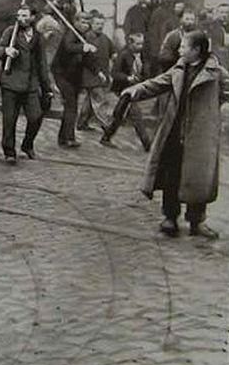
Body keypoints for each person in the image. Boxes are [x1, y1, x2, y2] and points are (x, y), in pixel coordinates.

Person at [121, 31, 227, 239]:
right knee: (172, 175)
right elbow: (157, 83)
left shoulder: (216, 73)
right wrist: (134, 90)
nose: (179, 50)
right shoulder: (179, 68)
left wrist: (217, 112)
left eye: (184, 47)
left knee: (198, 178)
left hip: (200, 136)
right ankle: (170, 217)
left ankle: (197, 221)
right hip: (174, 130)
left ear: (196, 50)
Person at [0, 5, 53, 162]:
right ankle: (9, 152)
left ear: (33, 17)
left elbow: (42, 63)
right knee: (9, 120)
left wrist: (47, 88)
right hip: (10, 82)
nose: (21, 19)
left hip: (31, 85)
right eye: (19, 15)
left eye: (24, 15)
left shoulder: (38, 37)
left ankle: (27, 145)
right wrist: (6, 51)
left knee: (36, 117)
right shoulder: (11, 32)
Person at [51, 11, 97, 148]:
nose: (86, 25)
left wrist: (97, 72)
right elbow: (68, 47)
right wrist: (84, 47)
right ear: (75, 22)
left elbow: (87, 59)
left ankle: (63, 138)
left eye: (88, 22)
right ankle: (68, 138)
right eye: (83, 21)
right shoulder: (71, 33)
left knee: (71, 107)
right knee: (71, 106)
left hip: (74, 76)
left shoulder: (83, 36)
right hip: (62, 74)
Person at [101, 33, 152, 151]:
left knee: (119, 116)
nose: (140, 46)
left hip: (134, 89)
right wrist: (128, 78)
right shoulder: (123, 55)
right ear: (130, 43)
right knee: (136, 116)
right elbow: (114, 73)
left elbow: (145, 71)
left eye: (142, 44)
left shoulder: (143, 56)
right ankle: (147, 145)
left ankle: (106, 136)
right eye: (138, 44)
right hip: (123, 90)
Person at [77, 12, 115, 133]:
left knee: (89, 100)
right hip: (90, 74)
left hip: (102, 74)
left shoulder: (105, 38)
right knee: (100, 100)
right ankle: (107, 126)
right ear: (91, 24)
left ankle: (82, 123)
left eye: (102, 24)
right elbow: (83, 58)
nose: (100, 26)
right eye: (97, 24)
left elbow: (113, 52)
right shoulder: (86, 38)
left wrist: (116, 58)